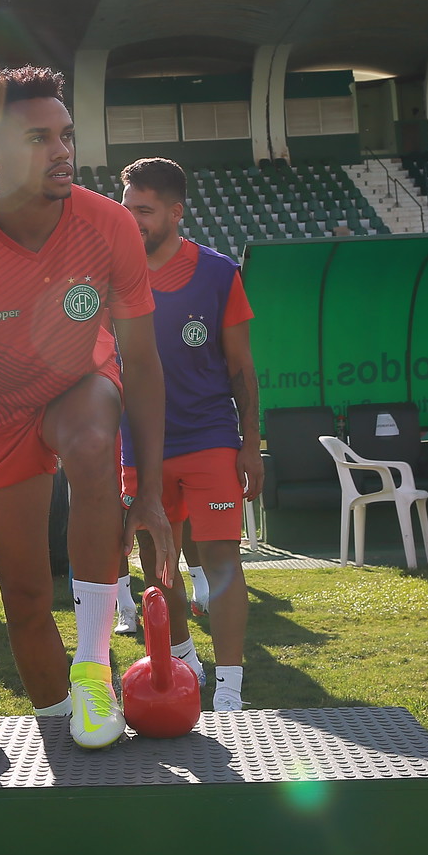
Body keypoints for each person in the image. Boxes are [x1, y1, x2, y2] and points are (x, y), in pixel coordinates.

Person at [0, 67, 174, 749]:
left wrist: (147, 493)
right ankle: (67, 726)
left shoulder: (109, 224)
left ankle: (93, 666)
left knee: (89, 437)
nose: (62, 151)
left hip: (77, 385)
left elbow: (140, 363)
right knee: (25, 601)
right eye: (38, 138)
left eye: (66, 134)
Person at [113, 157, 261, 712]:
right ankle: (182, 658)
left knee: (221, 561)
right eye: (127, 210)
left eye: (144, 211)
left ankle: (229, 689)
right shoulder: (111, 276)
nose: (132, 222)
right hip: (138, 447)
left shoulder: (219, 273)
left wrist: (250, 442)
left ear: (176, 212)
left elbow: (241, 366)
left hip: (209, 439)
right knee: (159, 565)